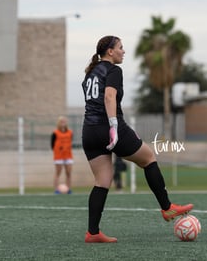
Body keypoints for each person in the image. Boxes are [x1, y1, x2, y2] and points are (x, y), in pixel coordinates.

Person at [81, 35, 193, 243]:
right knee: (148, 158)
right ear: (110, 52)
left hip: (89, 131)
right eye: (120, 48)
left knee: (103, 181)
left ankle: (93, 233)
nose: (124, 51)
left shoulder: (90, 73)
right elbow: (108, 96)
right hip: (108, 126)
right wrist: (114, 126)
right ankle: (167, 208)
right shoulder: (114, 70)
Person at [51, 116, 73, 194]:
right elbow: (52, 145)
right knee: (58, 172)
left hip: (68, 155)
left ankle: (68, 189)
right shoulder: (55, 133)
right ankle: (56, 189)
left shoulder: (70, 132)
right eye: (61, 121)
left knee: (68, 172)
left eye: (64, 121)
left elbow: (71, 142)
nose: (63, 123)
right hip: (59, 156)